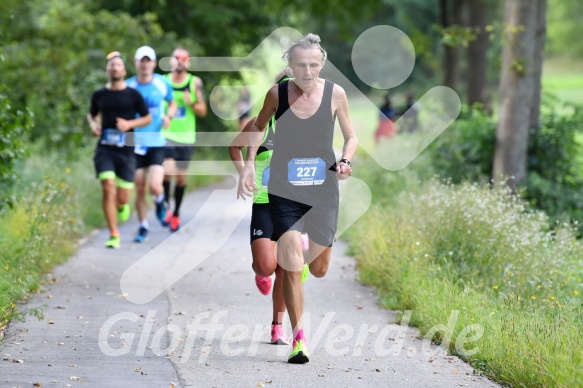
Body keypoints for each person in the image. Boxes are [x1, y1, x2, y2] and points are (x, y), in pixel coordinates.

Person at [237, 33, 358, 363]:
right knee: (289, 260)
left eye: (314, 65)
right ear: (290, 66)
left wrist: (345, 160)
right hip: (284, 189)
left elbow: (351, 136)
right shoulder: (277, 94)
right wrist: (249, 165)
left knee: (318, 269)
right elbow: (258, 127)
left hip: (323, 191)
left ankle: (299, 272)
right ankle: (298, 339)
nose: (308, 71)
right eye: (301, 65)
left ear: (322, 64)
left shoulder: (336, 94)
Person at [229, 70, 310, 346]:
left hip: (293, 205)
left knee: (286, 270)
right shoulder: (259, 124)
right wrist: (245, 173)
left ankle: (277, 326)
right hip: (264, 202)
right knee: (266, 266)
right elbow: (233, 148)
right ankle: (262, 272)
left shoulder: (306, 126)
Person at [87, 51, 152, 248]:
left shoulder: (133, 94)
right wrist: (94, 125)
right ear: (107, 70)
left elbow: (147, 118)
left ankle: (122, 204)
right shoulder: (99, 94)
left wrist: (129, 123)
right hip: (105, 149)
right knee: (107, 186)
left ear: (124, 70)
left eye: (118, 65)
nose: (115, 68)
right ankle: (114, 234)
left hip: (126, 150)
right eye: (111, 65)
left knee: (123, 196)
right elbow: (92, 114)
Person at [126, 46, 177, 243]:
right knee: (139, 187)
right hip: (135, 143)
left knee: (155, 186)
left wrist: (169, 117)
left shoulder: (162, 83)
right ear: (136, 63)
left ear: (153, 63)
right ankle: (143, 226)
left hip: (156, 142)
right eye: (142, 60)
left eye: (148, 60)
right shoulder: (129, 86)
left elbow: (172, 103)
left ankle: (159, 202)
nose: (145, 64)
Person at [162, 47, 207, 232]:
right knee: (166, 172)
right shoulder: (163, 81)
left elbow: (203, 111)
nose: (179, 61)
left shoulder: (194, 82)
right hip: (167, 134)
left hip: (186, 137)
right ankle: (166, 206)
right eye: (176, 58)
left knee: (180, 179)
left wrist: (191, 102)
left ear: (187, 62)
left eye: (183, 58)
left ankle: (176, 213)